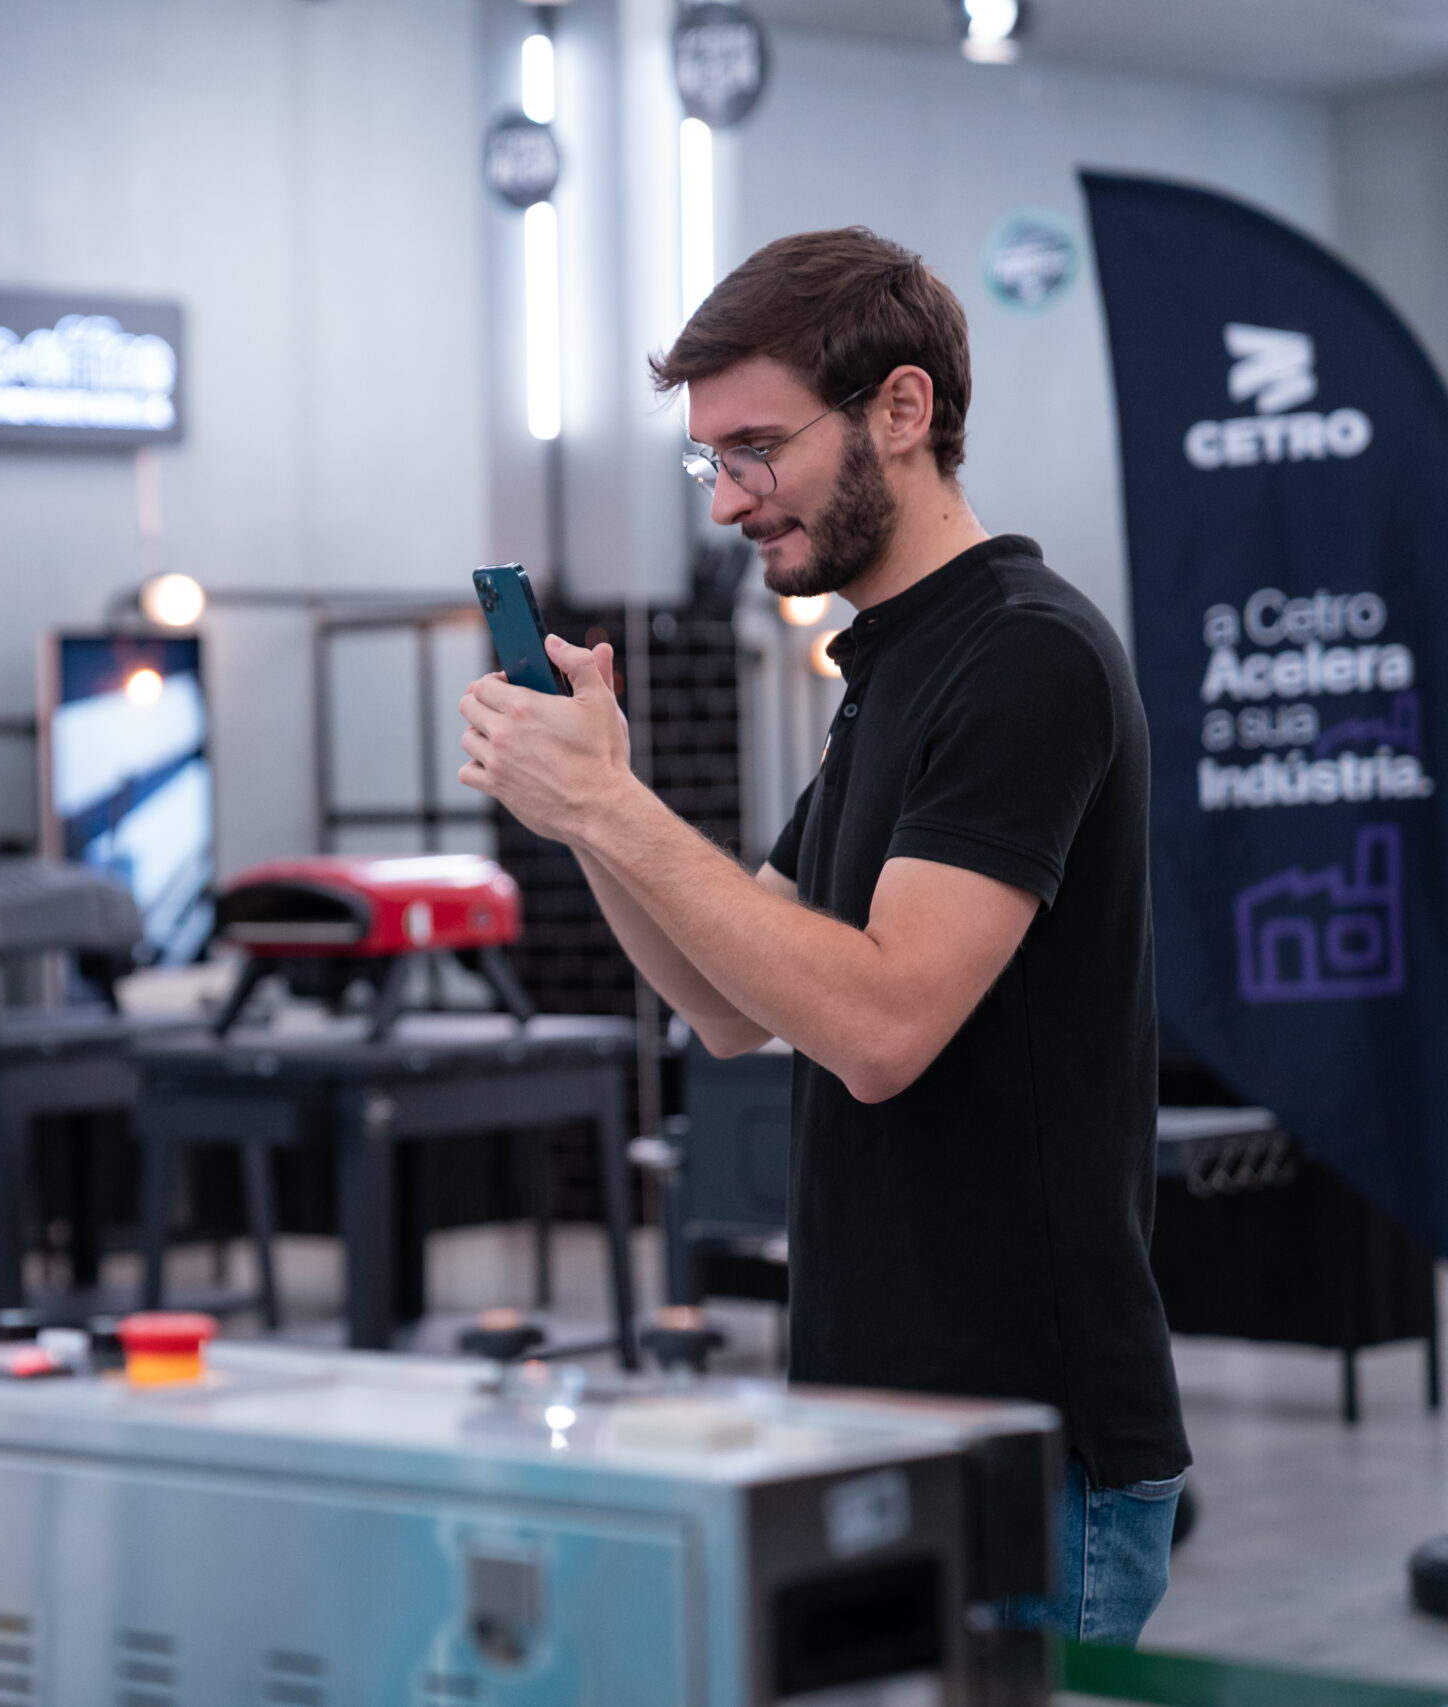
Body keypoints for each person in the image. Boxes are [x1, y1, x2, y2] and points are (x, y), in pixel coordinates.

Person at [456, 227, 1189, 1643]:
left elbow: (878, 1025)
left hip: (1027, 1442)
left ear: (900, 412)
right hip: (878, 1418)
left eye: (756, 448)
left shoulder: (1026, 654)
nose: (729, 499)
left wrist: (614, 802)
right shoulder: (893, 667)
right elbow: (742, 999)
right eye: (709, 459)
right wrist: (596, 818)